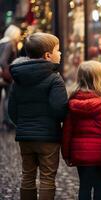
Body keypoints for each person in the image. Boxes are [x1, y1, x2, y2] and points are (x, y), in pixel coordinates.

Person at [8, 32, 68, 200]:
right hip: (48, 137)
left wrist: (23, 124)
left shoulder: (18, 78)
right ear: (48, 55)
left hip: (25, 137)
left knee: (27, 175)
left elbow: (12, 110)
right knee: (47, 178)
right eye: (58, 50)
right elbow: (60, 109)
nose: (61, 53)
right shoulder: (54, 79)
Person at [62, 60, 101, 200]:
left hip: (80, 153)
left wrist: (66, 154)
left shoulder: (71, 103)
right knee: (100, 186)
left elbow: (66, 132)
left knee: (84, 186)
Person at [0, 24, 21, 130]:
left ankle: (3, 122)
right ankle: (8, 122)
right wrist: (9, 72)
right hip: (6, 77)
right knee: (9, 98)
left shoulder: (2, 42)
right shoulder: (10, 43)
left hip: (1, 76)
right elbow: (3, 61)